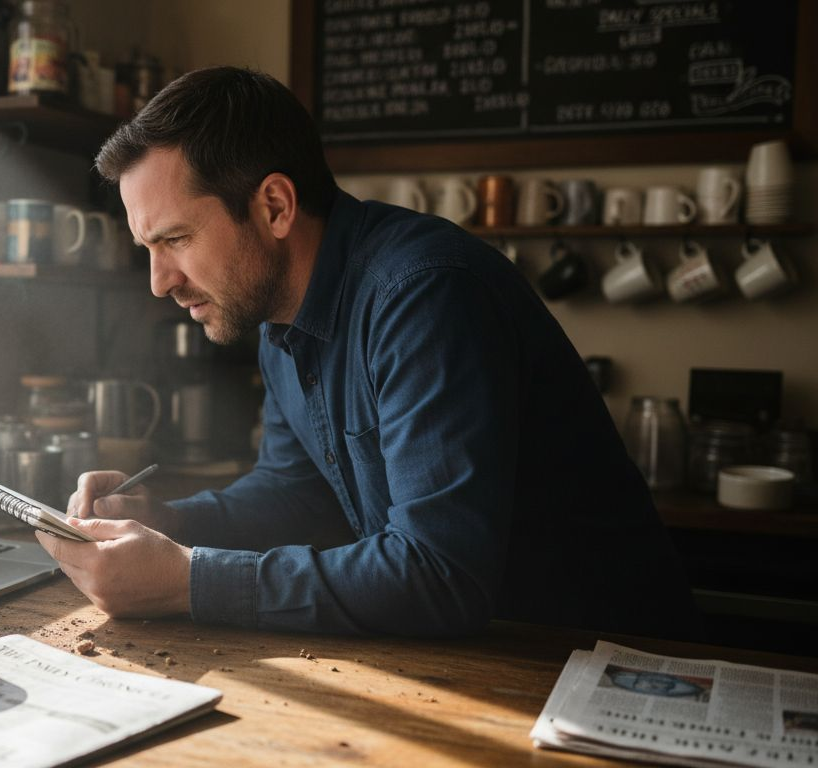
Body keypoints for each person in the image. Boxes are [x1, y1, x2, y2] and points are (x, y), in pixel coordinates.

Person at [35, 66, 698, 639]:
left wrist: (187, 579)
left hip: (602, 664)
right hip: (490, 655)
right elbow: (300, 496)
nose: (159, 282)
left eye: (175, 239)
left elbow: (440, 575)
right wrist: (162, 520)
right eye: (148, 249)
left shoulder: (425, 295)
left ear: (273, 206)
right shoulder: (275, 316)